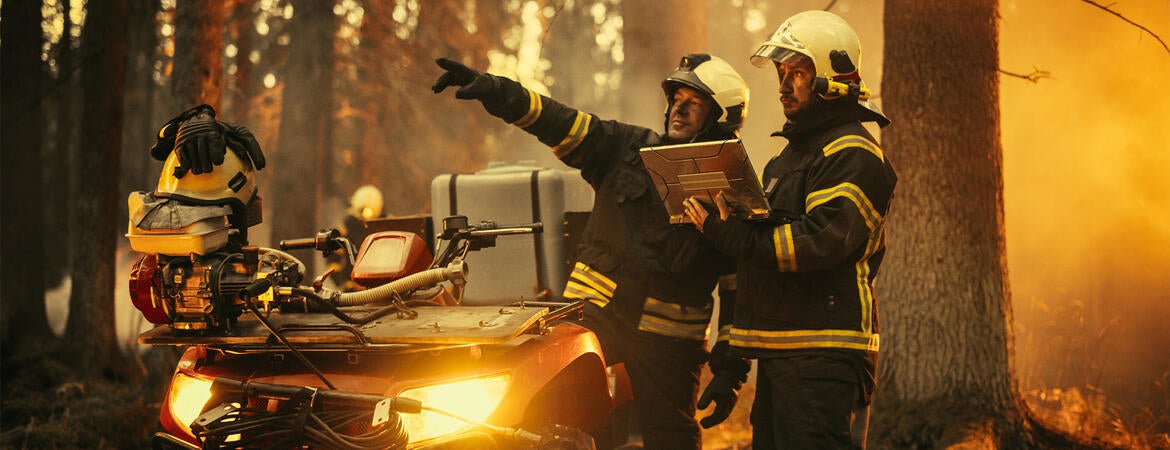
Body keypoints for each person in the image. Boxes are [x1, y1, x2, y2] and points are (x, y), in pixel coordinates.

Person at [433, 53, 748, 449]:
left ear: (720, 119)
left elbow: (741, 290)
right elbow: (557, 120)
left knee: (674, 440)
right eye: (676, 99)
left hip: (670, 343)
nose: (678, 110)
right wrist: (497, 90)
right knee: (552, 418)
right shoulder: (625, 148)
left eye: (695, 103)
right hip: (595, 316)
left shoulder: (734, 190)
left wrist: (729, 369)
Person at [683, 10, 896, 449]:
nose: (782, 86)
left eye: (796, 73)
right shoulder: (789, 159)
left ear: (833, 77)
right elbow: (759, 269)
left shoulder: (854, 154)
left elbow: (815, 242)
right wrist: (732, 368)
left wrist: (729, 234)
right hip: (783, 352)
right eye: (781, 74)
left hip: (826, 356)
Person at [326, 185, 384, 291]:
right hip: (352, 287)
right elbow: (333, 257)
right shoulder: (346, 229)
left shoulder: (385, 228)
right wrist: (342, 283)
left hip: (380, 287)